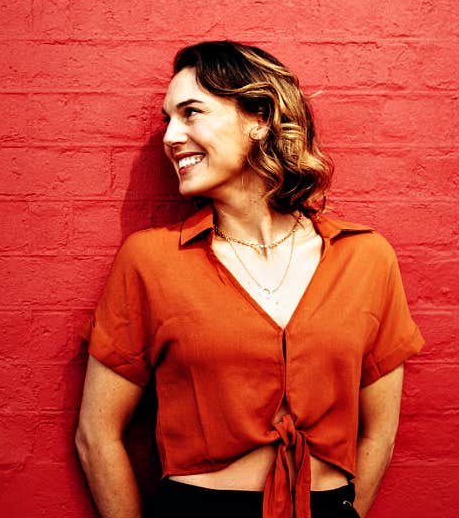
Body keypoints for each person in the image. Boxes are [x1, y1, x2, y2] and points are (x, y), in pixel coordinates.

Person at [75, 41, 423, 518]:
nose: (171, 136)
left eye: (191, 112)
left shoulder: (365, 258)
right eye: (167, 120)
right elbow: (97, 434)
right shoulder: (150, 260)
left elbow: (379, 433)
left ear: (259, 117)